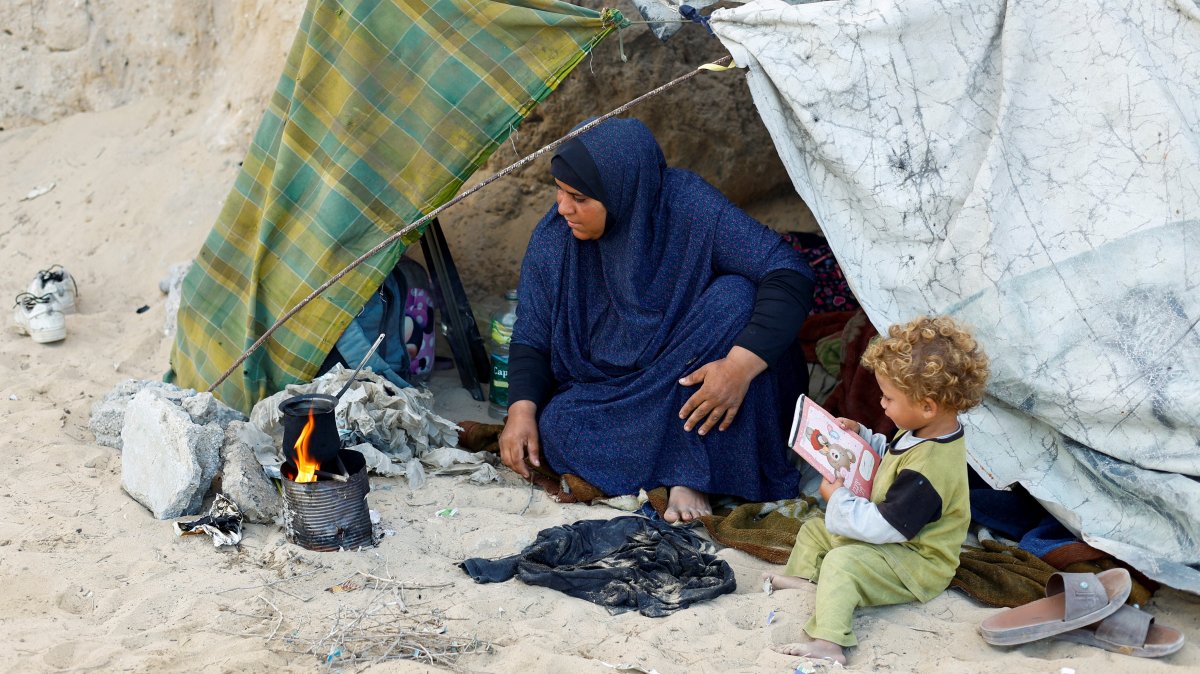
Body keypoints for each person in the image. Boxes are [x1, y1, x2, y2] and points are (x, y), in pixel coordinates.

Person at [498, 117, 814, 522]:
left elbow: (788, 271)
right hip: (620, 395)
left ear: (622, 192)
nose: (563, 208)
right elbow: (532, 335)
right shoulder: (554, 237)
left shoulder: (688, 206)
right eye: (558, 192)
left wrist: (738, 367)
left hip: (694, 380)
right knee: (557, 426)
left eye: (578, 197)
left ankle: (689, 476)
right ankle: (694, 466)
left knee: (737, 298)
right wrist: (520, 411)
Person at [764, 315, 990, 665]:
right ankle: (803, 579)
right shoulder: (925, 429)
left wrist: (838, 498)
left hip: (917, 562)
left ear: (927, 405)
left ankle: (829, 642)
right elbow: (891, 455)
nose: (882, 404)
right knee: (815, 528)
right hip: (897, 542)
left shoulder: (930, 471)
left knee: (843, 561)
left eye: (888, 398)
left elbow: (883, 526)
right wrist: (861, 437)